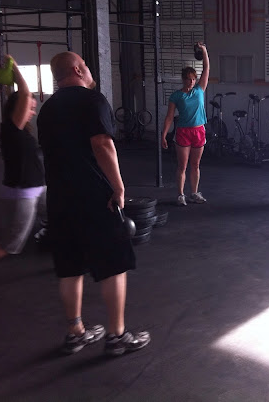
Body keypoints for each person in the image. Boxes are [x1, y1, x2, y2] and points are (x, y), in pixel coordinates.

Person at [37, 51, 150, 356]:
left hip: (59, 199)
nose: (89, 70)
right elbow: (102, 144)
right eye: (85, 66)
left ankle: (75, 333)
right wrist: (119, 186)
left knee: (70, 268)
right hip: (94, 197)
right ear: (77, 70)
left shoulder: (47, 109)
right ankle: (116, 336)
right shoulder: (92, 100)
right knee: (115, 265)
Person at [0, 56, 45, 291]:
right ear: (19, 109)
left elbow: (19, 98)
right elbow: (24, 94)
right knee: (10, 243)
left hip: (38, 189)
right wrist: (14, 66)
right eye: (30, 108)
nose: (32, 111)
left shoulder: (18, 129)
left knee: (63, 212)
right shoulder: (11, 129)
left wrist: (8, 84)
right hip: (22, 194)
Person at [161, 43, 210, 206]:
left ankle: (194, 193)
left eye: (193, 79)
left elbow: (206, 68)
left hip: (199, 131)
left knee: (195, 165)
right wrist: (163, 135)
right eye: (188, 79)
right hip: (183, 132)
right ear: (183, 79)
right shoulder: (176, 96)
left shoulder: (199, 90)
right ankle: (180, 195)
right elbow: (169, 116)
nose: (191, 81)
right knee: (182, 165)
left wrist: (204, 51)